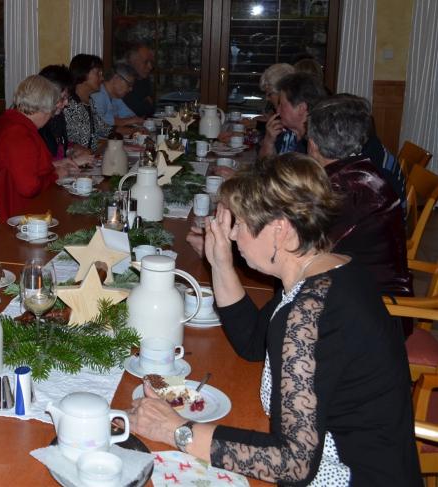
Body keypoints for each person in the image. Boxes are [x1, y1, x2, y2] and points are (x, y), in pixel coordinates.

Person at [130, 153, 421, 485]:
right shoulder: (328, 271)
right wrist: (221, 262)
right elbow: (255, 342)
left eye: (239, 223)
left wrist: (176, 430)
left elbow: (293, 464)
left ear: (280, 230)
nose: (233, 235)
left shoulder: (308, 315)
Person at [306, 95, 413, 301]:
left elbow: (309, 250)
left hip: (376, 304)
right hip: (366, 287)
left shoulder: (341, 189)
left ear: (313, 145)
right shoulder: (363, 170)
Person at [0, 75, 78, 221]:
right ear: (45, 107)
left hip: (11, 209)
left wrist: (54, 165)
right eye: (52, 108)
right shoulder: (18, 133)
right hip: (17, 217)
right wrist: (56, 175)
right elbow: (29, 188)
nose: (52, 114)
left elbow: (20, 167)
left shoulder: (9, 121)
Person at [258, 72, 327, 158]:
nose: (278, 110)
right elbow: (264, 164)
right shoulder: (285, 133)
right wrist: (268, 142)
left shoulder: (316, 146)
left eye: (282, 105)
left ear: (301, 108)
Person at [63, 54, 109, 152]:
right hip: (74, 160)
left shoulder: (90, 102)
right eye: (98, 73)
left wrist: (134, 131)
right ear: (83, 73)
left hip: (91, 158)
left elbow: (104, 129)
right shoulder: (67, 104)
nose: (102, 78)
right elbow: (62, 143)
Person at [91, 63, 144, 133]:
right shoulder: (98, 94)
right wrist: (126, 122)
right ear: (116, 78)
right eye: (129, 84)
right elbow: (99, 123)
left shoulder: (115, 97)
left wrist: (135, 121)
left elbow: (130, 116)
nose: (131, 89)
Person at [121, 44, 156, 118]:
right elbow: (135, 111)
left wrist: (146, 105)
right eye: (145, 62)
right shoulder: (121, 80)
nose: (150, 67)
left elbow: (151, 109)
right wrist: (147, 104)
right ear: (132, 62)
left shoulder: (144, 79)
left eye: (151, 62)